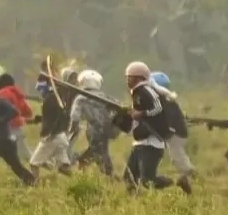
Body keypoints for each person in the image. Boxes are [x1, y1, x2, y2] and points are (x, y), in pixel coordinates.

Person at [123, 62, 190, 194]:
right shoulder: (137, 93)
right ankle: (135, 203)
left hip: (151, 143)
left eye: (129, 77)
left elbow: (157, 108)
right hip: (140, 142)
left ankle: (178, 182)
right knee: (128, 178)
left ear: (139, 78)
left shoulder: (146, 91)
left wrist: (140, 114)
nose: (127, 80)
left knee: (148, 181)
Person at [150, 72, 196, 181]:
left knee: (178, 157)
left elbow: (167, 118)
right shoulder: (167, 98)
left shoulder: (164, 100)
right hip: (177, 132)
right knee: (176, 155)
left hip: (176, 133)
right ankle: (188, 176)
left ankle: (191, 174)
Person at [69, 70, 116, 177]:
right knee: (99, 152)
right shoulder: (104, 97)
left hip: (93, 130)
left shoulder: (81, 98)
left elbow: (75, 117)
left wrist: (71, 130)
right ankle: (84, 175)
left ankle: (112, 178)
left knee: (100, 155)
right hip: (106, 130)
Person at [28, 71, 72, 176]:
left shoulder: (51, 98)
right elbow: (53, 115)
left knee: (34, 164)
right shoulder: (56, 97)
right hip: (61, 137)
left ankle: (35, 186)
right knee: (63, 168)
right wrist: (39, 119)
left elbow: (56, 117)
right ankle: (79, 181)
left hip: (53, 136)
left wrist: (50, 133)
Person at [0, 72, 34, 167]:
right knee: (27, 155)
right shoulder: (18, 94)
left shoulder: (2, 93)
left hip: (8, 129)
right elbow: (28, 112)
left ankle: (49, 165)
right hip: (17, 129)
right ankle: (48, 165)